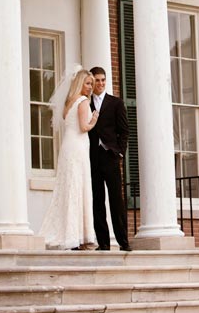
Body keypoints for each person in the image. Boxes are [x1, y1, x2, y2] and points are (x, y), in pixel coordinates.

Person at [38, 66, 99, 250]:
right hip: (78, 147)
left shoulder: (69, 102)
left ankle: (71, 232)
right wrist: (94, 119)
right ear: (80, 83)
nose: (90, 87)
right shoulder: (82, 102)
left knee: (68, 187)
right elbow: (83, 127)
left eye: (92, 84)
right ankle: (77, 235)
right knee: (77, 187)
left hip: (68, 146)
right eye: (88, 83)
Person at [88, 66, 132, 251]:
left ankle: (123, 241)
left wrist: (120, 152)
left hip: (111, 157)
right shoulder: (85, 103)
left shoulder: (116, 103)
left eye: (103, 80)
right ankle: (103, 243)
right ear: (92, 82)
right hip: (92, 158)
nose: (100, 83)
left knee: (116, 201)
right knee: (97, 200)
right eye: (97, 80)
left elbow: (124, 131)